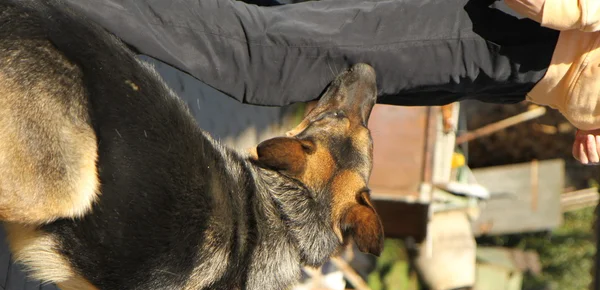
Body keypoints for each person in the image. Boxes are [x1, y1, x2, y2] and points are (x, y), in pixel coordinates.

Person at [60, 0, 600, 164]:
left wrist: (584, 112)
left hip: (523, 67)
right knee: (274, 56)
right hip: (515, 31)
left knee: (286, 29)